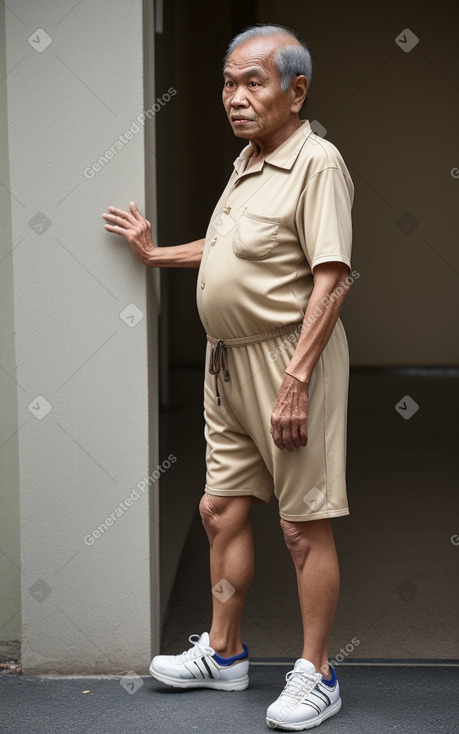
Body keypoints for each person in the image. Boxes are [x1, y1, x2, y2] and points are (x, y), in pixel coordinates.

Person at [102, 23, 354, 732]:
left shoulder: (317, 162)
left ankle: (317, 674)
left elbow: (332, 282)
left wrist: (297, 378)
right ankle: (224, 653)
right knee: (222, 509)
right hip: (227, 363)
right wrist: (157, 256)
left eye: (253, 82)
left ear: (294, 90)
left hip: (287, 359)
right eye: (226, 82)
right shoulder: (247, 160)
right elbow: (226, 250)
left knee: (302, 528)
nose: (234, 97)